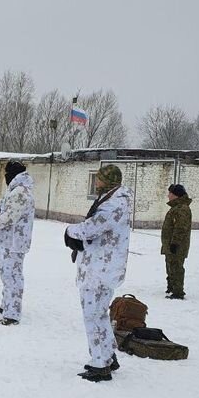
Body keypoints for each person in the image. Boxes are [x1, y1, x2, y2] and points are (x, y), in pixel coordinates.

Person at [64, 164, 132, 382]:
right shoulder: (114, 199)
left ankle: (100, 364)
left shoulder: (112, 204)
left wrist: (69, 231)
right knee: (99, 314)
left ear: (108, 181)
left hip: (99, 269)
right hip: (102, 266)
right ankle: (108, 355)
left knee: (93, 315)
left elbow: (91, 227)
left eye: (99, 179)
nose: (96, 182)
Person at [0, 161, 35, 326]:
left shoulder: (20, 192)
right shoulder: (13, 190)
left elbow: (9, 218)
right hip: (7, 242)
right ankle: (6, 305)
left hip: (14, 243)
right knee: (7, 276)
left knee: (13, 277)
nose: (5, 176)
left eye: (6, 172)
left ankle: (12, 314)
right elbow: (2, 211)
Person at [161, 184, 192, 300]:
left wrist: (175, 243)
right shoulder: (176, 208)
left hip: (177, 246)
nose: (168, 195)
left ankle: (178, 291)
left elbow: (181, 228)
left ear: (175, 195)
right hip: (170, 244)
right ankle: (171, 287)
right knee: (170, 265)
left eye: (170, 193)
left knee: (176, 267)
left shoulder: (182, 209)